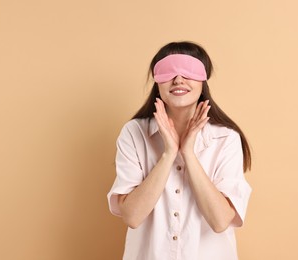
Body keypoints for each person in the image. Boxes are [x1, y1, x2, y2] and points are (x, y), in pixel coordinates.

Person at [107, 41, 252, 260]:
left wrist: (189, 154)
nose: (178, 79)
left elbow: (220, 221)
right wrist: (168, 154)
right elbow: (132, 217)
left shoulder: (225, 139)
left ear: (203, 80)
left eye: (188, 70)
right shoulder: (134, 133)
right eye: (168, 71)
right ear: (157, 81)